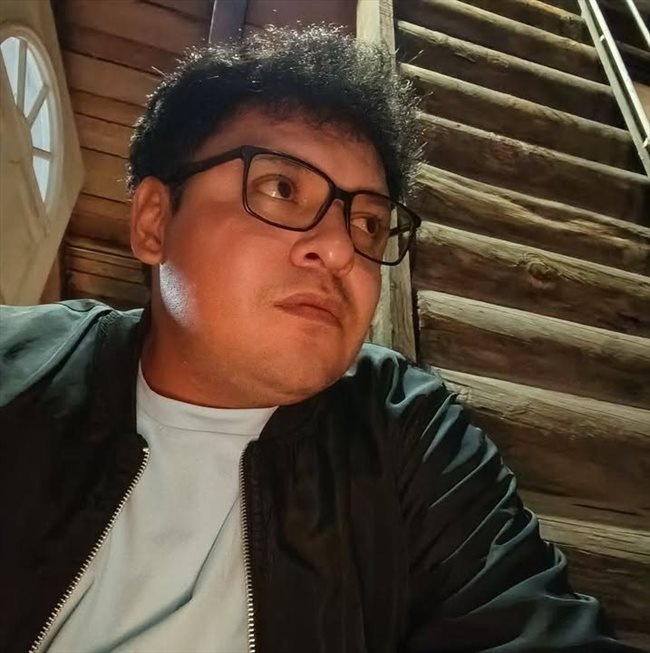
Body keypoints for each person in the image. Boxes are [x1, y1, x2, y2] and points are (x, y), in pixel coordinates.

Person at [0, 25, 639, 653]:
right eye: (282, 188)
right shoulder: (18, 366)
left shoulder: (406, 431)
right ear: (154, 221)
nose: (339, 250)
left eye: (368, 224)